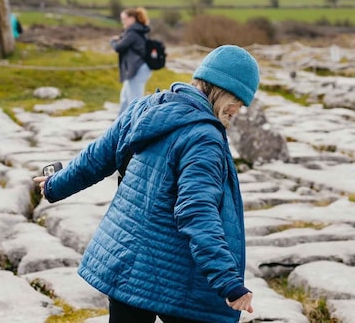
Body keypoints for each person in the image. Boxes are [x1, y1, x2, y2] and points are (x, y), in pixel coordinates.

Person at [34, 45, 259, 322]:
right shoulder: (204, 138)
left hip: (125, 260)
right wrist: (228, 281)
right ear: (223, 93)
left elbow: (95, 158)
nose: (239, 110)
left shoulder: (145, 107)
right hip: (174, 274)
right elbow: (196, 210)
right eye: (238, 101)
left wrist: (54, 184)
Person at [110, 6, 152, 116]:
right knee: (125, 98)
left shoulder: (133, 32)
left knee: (135, 100)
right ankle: (120, 124)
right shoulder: (138, 30)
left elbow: (119, 47)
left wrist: (113, 41)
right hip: (137, 68)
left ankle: (136, 124)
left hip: (137, 69)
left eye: (124, 19)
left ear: (132, 18)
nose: (122, 21)